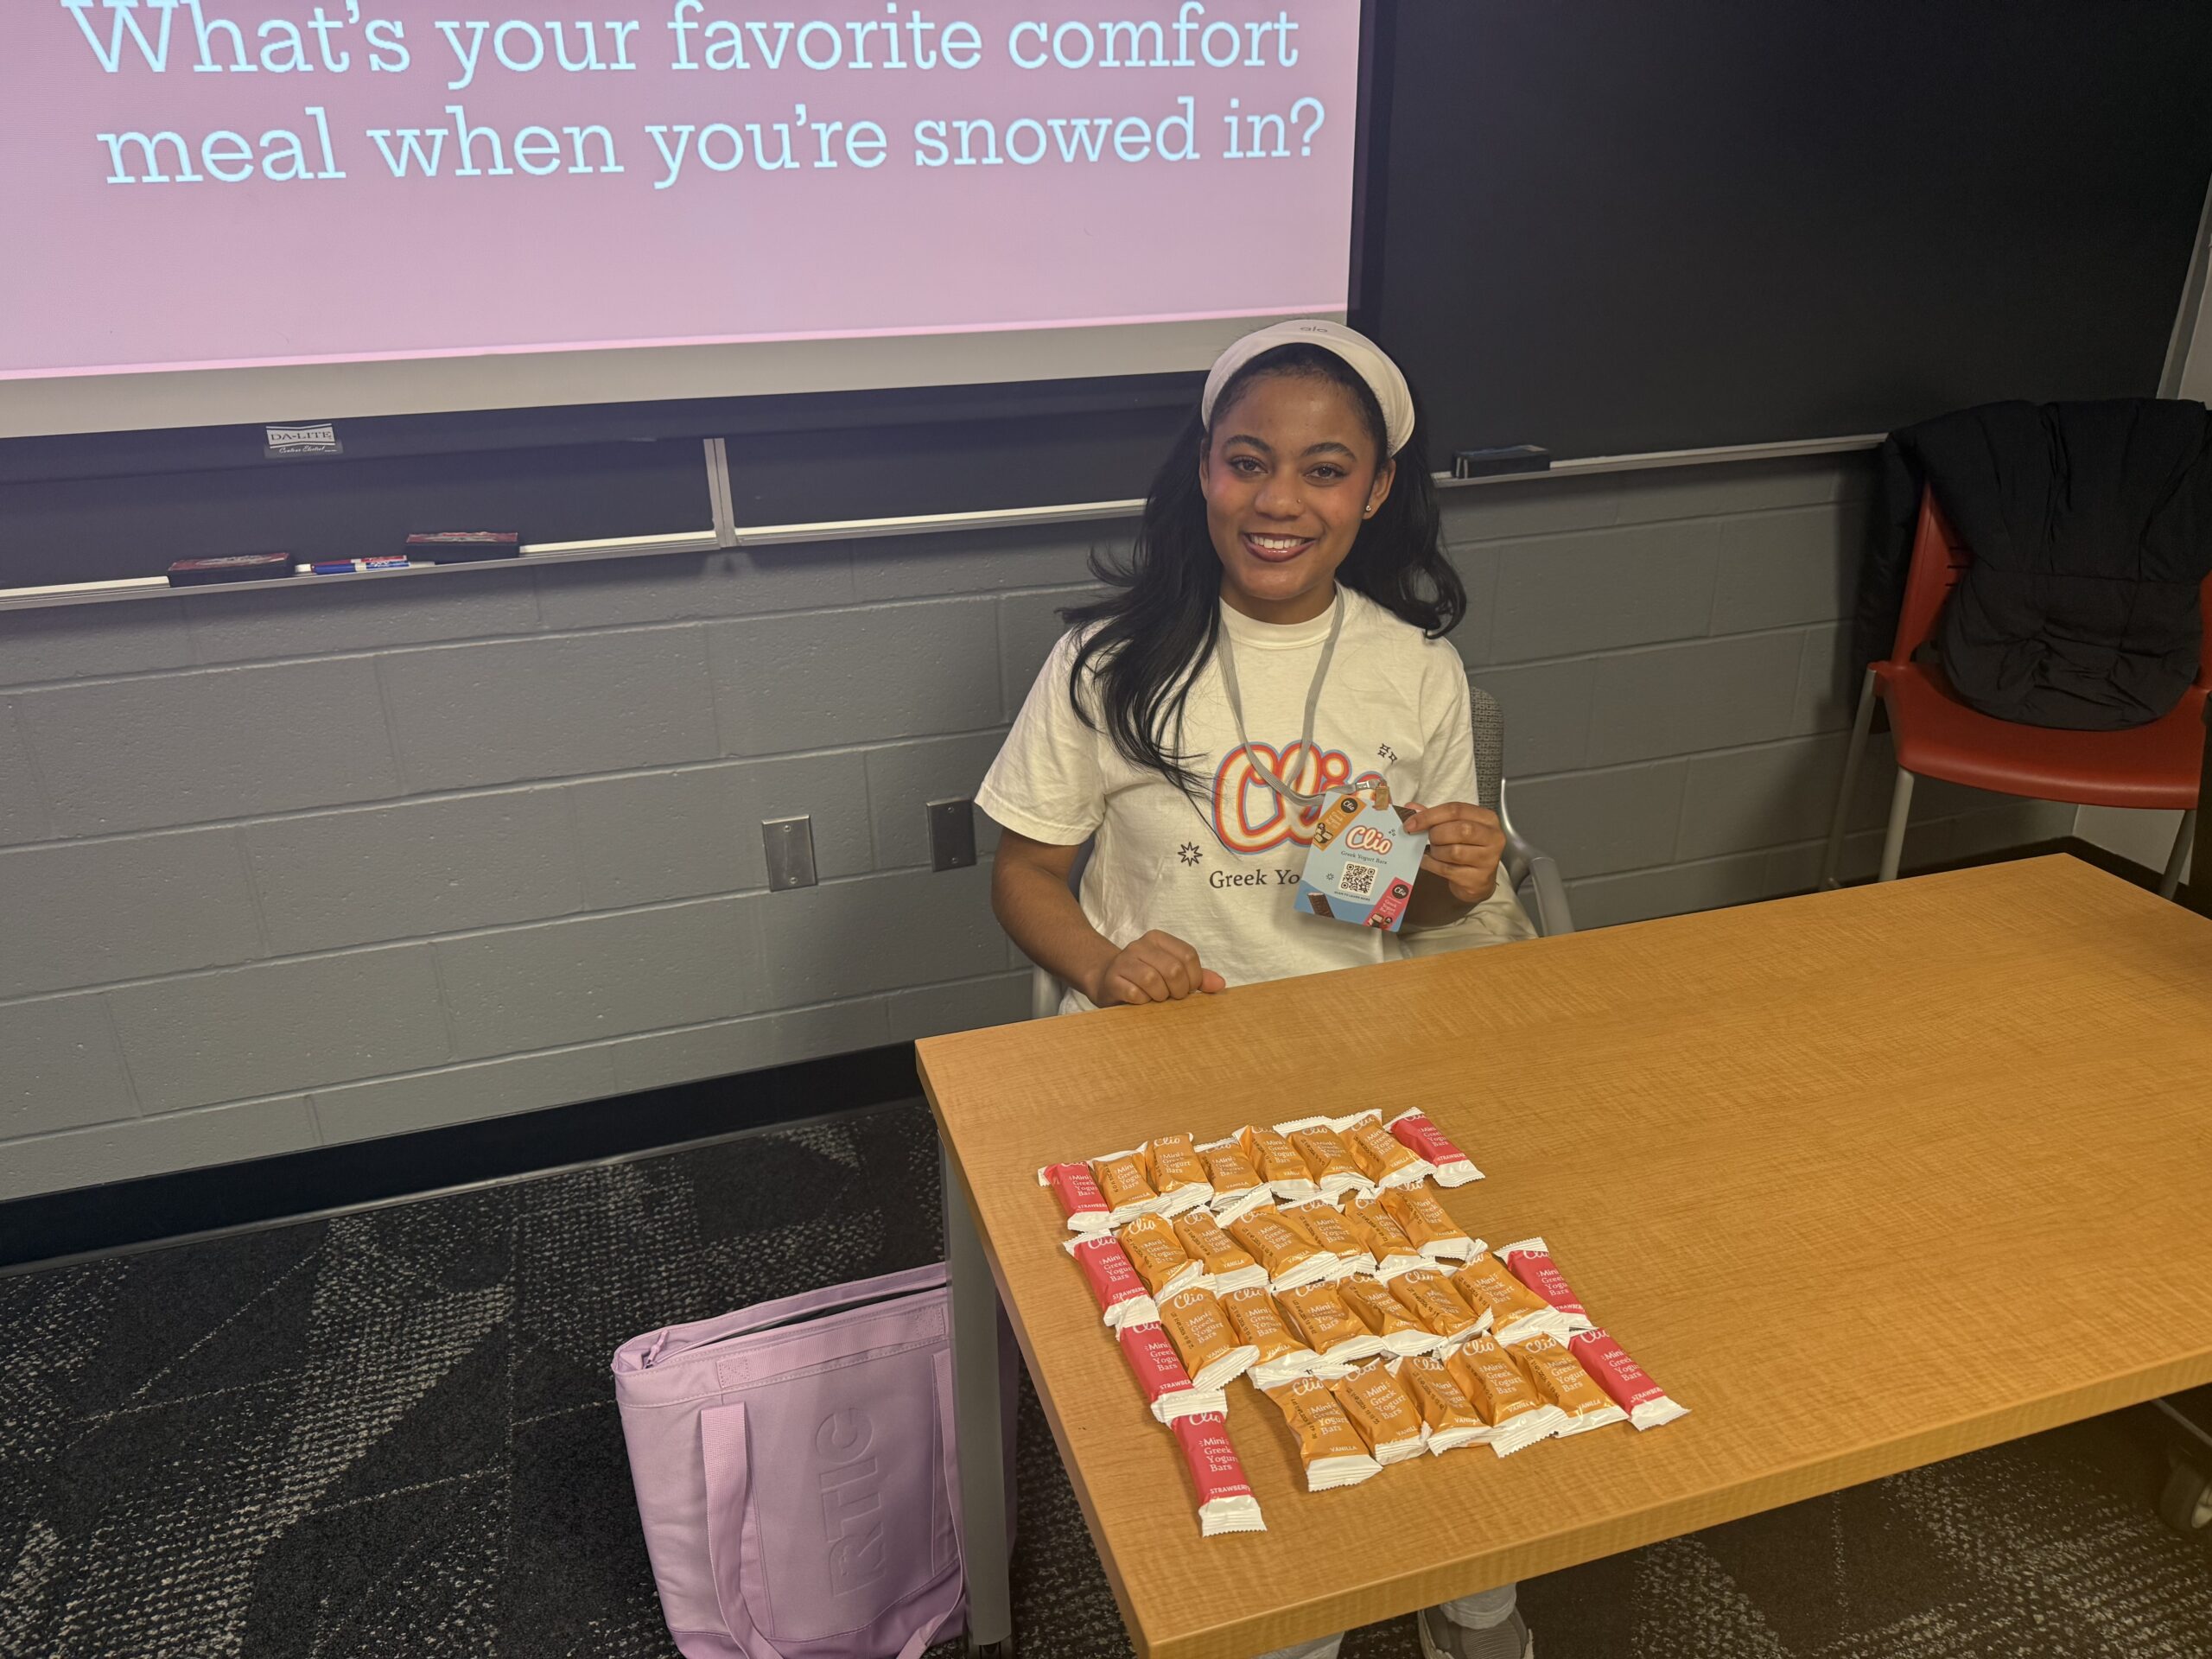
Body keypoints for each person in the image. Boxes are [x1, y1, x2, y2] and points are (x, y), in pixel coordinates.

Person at [976, 319, 1535, 1659]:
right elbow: (1025, 879)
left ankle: (1474, 1589)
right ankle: (1290, 1611)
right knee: (1244, 1363)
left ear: (1377, 489)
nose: (1280, 500)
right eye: (1249, 462)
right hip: (1155, 1064)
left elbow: (1383, 900)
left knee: (1425, 1327)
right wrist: (1106, 964)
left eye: (1325, 470)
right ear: (1206, 473)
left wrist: (1456, 874)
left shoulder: (1413, 666)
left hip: (1357, 1055)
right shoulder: (1110, 658)